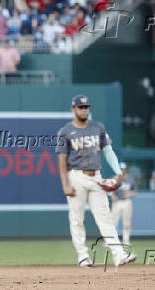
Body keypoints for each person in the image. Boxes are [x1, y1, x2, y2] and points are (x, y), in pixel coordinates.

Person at [56, 95, 137, 268]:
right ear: (73, 109)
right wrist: (65, 184)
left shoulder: (98, 127)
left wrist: (118, 172)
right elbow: (62, 159)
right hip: (76, 176)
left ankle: (119, 255)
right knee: (77, 218)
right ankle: (83, 256)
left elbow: (108, 151)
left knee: (105, 217)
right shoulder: (65, 131)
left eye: (86, 107)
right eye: (80, 107)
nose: (84, 109)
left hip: (96, 176)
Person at [111, 162, 137, 246]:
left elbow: (135, 191)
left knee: (127, 223)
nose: (122, 170)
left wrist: (130, 194)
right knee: (113, 222)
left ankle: (126, 241)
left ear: (126, 169)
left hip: (126, 201)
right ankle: (111, 241)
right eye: (120, 169)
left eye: (123, 169)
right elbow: (111, 190)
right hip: (117, 201)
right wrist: (113, 195)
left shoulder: (131, 179)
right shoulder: (115, 178)